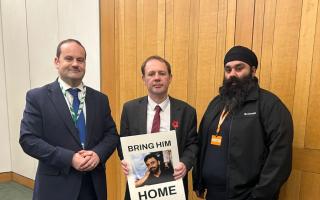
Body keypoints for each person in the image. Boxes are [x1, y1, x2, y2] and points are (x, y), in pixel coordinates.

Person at [19, 39, 119, 200]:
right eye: (69, 58)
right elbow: (28, 139)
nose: (75, 64)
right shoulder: (38, 97)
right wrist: (69, 158)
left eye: (80, 60)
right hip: (56, 187)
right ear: (57, 62)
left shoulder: (100, 99)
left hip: (93, 186)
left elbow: (112, 134)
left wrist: (98, 154)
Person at [193, 46, 293, 200]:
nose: (232, 74)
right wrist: (198, 181)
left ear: (253, 71)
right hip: (213, 194)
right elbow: (202, 143)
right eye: (228, 69)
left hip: (248, 196)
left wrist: (259, 196)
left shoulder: (270, 105)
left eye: (239, 68)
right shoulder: (216, 103)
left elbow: (280, 158)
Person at [118, 55, 198, 199]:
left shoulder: (187, 111)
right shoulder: (130, 109)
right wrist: (125, 160)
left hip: (173, 186)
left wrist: (185, 164)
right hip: (141, 189)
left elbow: (192, 144)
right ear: (143, 79)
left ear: (170, 78)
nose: (157, 78)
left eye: (162, 73)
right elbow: (122, 141)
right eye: (151, 74)